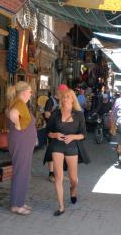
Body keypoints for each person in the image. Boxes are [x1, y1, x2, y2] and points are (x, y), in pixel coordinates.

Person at [46, 89, 90, 216]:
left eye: (68, 97)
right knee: (58, 177)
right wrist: (55, 134)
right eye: (63, 97)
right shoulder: (55, 114)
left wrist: (72, 137)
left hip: (72, 147)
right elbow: (48, 132)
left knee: (73, 178)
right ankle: (61, 206)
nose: (65, 99)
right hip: (57, 147)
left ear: (72, 99)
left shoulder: (79, 114)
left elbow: (83, 134)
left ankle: (73, 190)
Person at [6, 82, 39, 215]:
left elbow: (9, 111)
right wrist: (18, 124)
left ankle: (18, 201)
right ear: (24, 92)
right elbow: (12, 113)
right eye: (30, 92)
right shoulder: (19, 103)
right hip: (21, 142)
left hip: (22, 142)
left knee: (22, 171)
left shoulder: (18, 103)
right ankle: (16, 205)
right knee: (21, 171)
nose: (31, 94)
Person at [44, 84, 68, 182]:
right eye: (64, 92)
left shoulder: (63, 101)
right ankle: (51, 174)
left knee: (61, 152)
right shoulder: (50, 101)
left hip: (61, 130)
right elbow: (46, 114)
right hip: (52, 130)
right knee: (52, 152)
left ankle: (59, 174)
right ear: (59, 91)